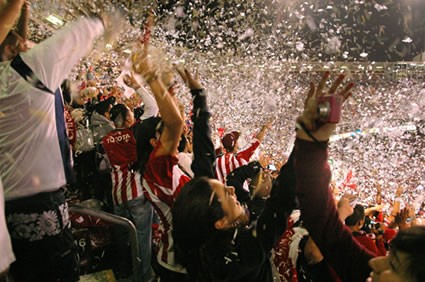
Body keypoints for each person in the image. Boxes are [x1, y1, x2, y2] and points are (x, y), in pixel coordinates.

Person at [0, 11, 121, 281]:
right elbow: (75, 35)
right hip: (41, 209)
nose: (28, 44)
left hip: (9, 209)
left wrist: (21, 15)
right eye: (21, 41)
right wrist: (103, 20)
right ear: (11, 47)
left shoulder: (14, 78)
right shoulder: (28, 73)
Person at [293, 72, 425, 282]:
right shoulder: (368, 275)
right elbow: (322, 222)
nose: (375, 261)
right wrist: (313, 142)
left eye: (393, 265)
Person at [102, 101, 154, 282]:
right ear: (125, 118)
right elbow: (152, 107)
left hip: (117, 194)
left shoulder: (105, 139)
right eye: (130, 112)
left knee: (122, 238)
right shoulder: (134, 133)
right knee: (142, 239)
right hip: (137, 193)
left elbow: (105, 166)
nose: (133, 115)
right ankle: (143, 276)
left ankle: (123, 270)